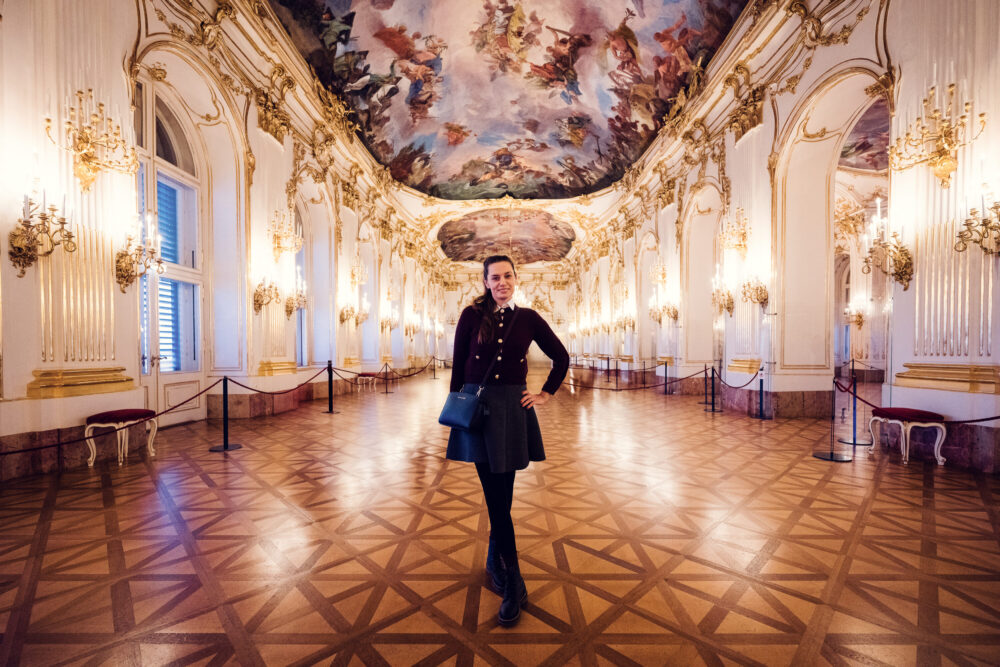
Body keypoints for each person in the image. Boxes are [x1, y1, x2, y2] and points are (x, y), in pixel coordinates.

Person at [446, 255, 569, 627]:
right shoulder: (471, 315)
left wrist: (545, 393)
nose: (502, 282)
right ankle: (513, 581)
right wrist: (456, 409)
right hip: (479, 412)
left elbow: (561, 357)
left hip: (514, 410)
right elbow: (457, 364)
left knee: (505, 495)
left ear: (517, 279)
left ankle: (493, 558)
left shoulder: (529, 318)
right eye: (495, 277)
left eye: (508, 276)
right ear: (485, 281)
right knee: (496, 496)